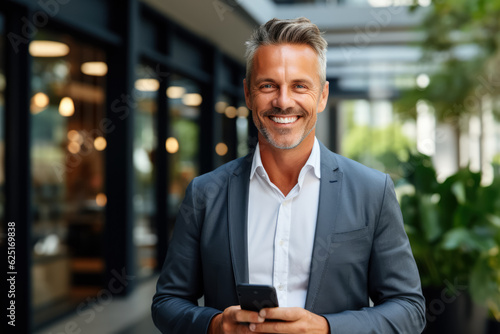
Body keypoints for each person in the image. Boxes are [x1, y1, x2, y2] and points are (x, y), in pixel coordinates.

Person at [152, 17, 426, 334]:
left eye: (299, 86)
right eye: (268, 85)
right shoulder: (206, 193)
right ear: (247, 93)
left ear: (322, 96)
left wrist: (326, 329)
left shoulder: (372, 191)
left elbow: (409, 309)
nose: (283, 101)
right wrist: (215, 325)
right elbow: (167, 303)